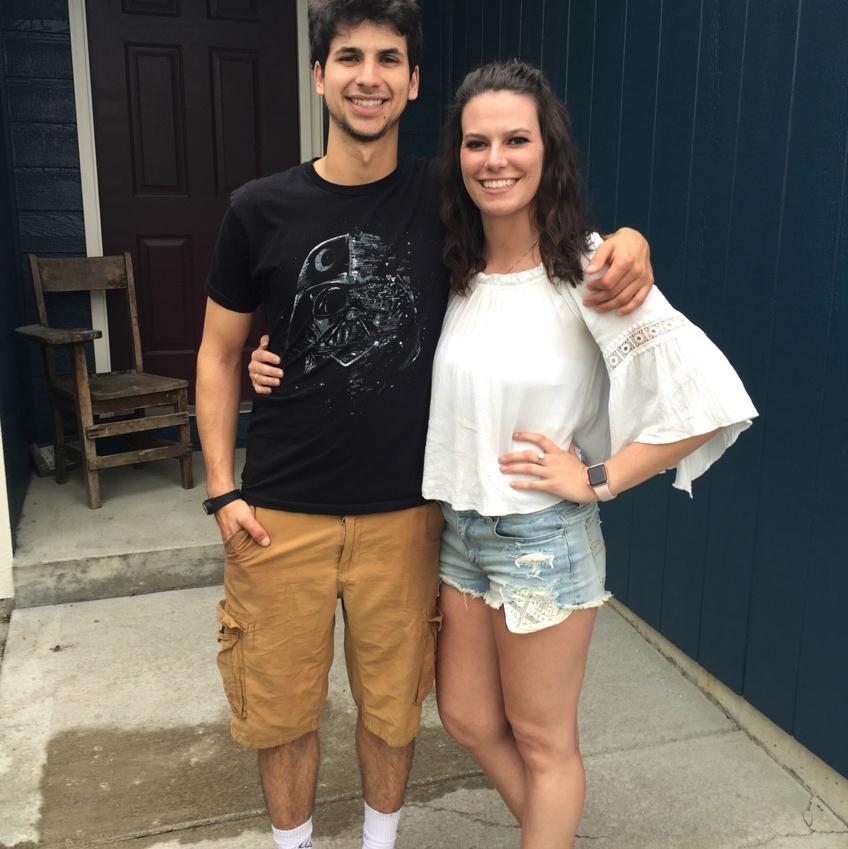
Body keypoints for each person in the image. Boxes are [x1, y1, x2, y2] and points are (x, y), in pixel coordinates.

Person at [200, 2, 653, 848]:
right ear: (319, 75)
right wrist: (222, 489)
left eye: (388, 59)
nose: (367, 77)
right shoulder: (258, 208)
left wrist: (629, 239)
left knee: (394, 710)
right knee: (282, 714)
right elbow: (221, 354)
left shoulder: (448, 202)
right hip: (279, 512)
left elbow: (538, 225)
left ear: (413, 82)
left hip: (408, 513)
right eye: (348, 57)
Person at [418, 61, 758, 849]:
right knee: (466, 716)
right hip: (462, 531)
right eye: (476, 142)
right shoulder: (456, 265)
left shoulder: (592, 268)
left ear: (549, 151)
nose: (495, 159)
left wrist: (599, 477)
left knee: (544, 742)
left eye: (516, 140)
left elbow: (706, 399)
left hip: (542, 541)